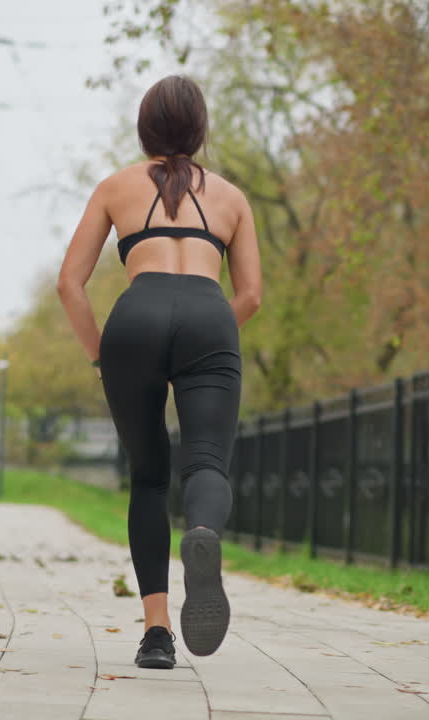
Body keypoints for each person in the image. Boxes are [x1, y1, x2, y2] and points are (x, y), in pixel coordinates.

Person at [56, 75, 262, 669]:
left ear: (144, 128)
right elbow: (249, 294)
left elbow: (70, 282)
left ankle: (156, 635)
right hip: (207, 315)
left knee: (148, 477)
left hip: (134, 320)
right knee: (205, 464)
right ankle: (202, 531)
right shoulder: (230, 197)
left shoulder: (116, 187)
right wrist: (212, 338)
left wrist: (101, 355)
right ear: (200, 130)